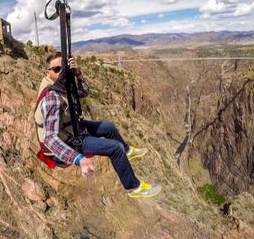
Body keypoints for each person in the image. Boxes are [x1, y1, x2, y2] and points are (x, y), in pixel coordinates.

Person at [34, 51, 161, 198]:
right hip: (66, 142)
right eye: (57, 69)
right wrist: (78, 159)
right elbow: (50, 138)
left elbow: (84, 92)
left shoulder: (63, 85)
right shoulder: (52, 97)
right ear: (48, 73)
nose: (62, 72)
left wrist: (78, 74)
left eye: (64, 68)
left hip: (72, 129)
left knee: (109, 127)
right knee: (115, 147)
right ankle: (134, 188)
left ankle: (127, 152)